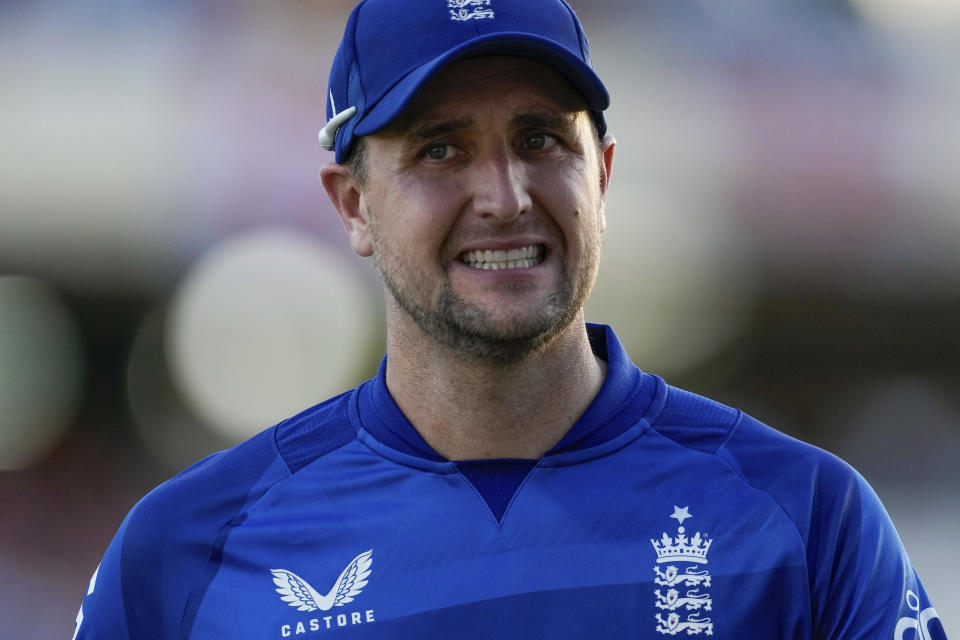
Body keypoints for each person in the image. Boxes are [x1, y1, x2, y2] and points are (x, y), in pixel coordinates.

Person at [74, 1, 946, 638]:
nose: (504, 197)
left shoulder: (808, 517)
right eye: (441, 148)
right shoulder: (186, 550)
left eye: (540, 140)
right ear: (352, 206)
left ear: (600, 176)